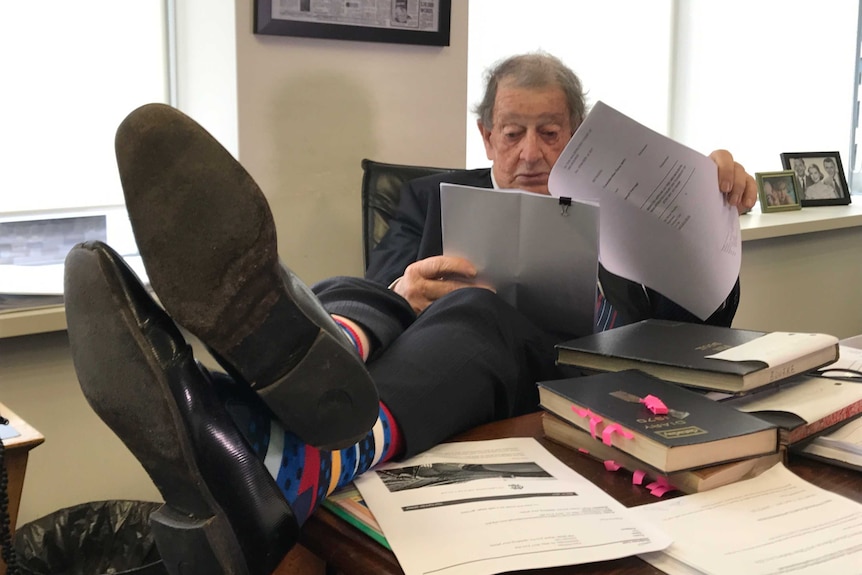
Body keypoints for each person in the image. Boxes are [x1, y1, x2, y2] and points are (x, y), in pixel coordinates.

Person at [63, 53, 757, 575]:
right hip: (435, 376)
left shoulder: (626, 211)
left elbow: (698, 324)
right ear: (487, 137)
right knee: (375, 293)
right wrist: (406, 286)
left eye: (551, 132)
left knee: (478, 316)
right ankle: (279, 413)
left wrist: (710, 208)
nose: (530, 152)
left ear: (577, 139)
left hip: (563, 387)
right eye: (513, 132)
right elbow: (378, 282)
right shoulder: (429, 198)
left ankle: (253, 421)